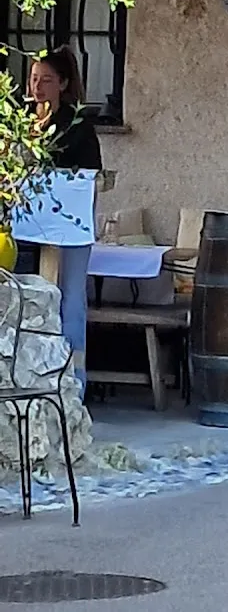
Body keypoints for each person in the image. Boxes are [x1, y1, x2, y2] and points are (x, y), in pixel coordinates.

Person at [29, 46, 102, 396]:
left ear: (63, 84)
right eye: (33, 79)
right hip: (29, 227)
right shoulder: (27, 123)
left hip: (71, 226)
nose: (37, 87)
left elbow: (89, 175)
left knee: (71, 299)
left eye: (46, 80)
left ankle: (73, 385)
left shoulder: (77, 125)